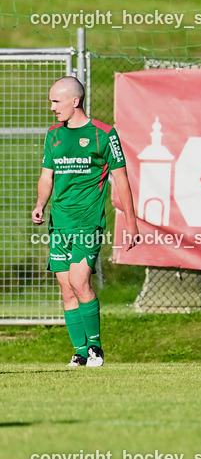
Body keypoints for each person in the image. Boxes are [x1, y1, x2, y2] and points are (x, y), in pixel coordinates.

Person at [31, 76, 139, 367]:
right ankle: (79, 352)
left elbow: (121, 179)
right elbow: (47, 176)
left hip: (88, 222)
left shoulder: (104, 134)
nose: (52, 107)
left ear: (74, 101)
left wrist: (130, 221)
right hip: (59, 223)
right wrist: (40, 204)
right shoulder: (53, 135)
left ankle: (95, 349)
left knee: (80, 281)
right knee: (67, 289)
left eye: (56, 101)